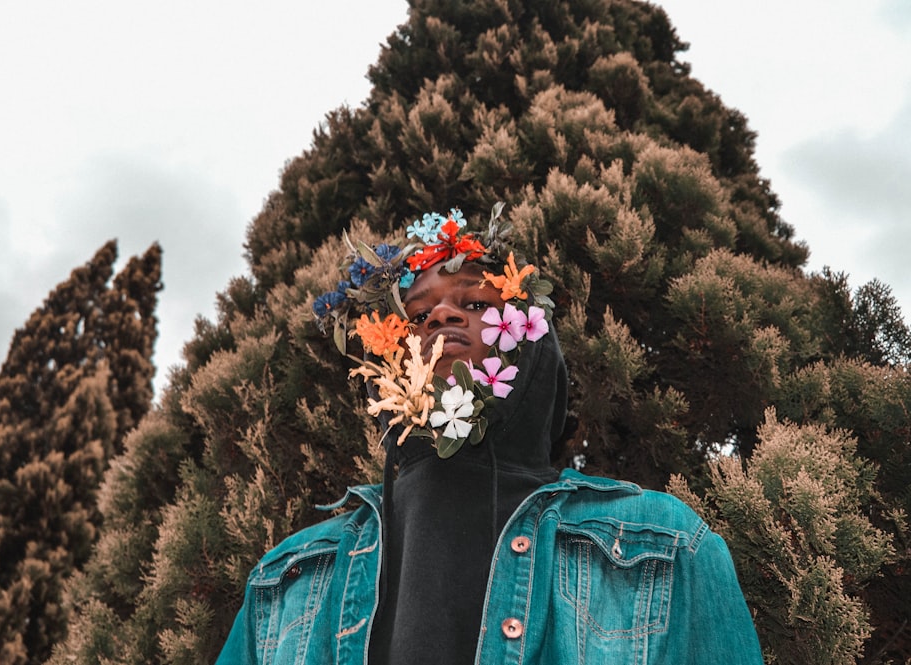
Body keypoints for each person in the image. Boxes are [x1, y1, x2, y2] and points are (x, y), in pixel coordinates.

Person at [215, 205, 764, 664]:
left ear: (529, 340)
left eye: (476, 303)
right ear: (386, 356)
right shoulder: (286, 581)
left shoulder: (663, 544)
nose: (442, 316)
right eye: (418, 313)